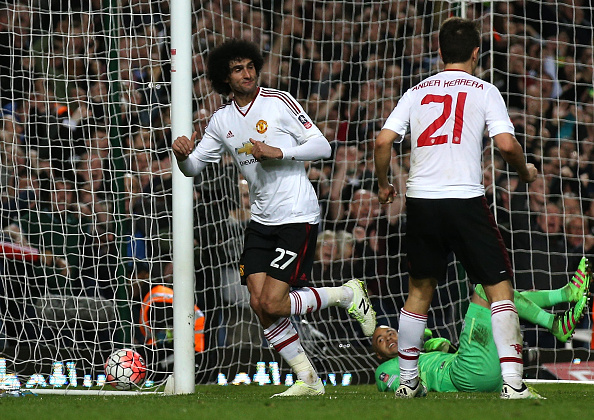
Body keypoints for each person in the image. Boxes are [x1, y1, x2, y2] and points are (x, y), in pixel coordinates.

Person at [171, 39, 376, 397]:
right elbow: (192, 169)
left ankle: (345, 294)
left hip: (297, 214)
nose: (247, 73)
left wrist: (280, 150)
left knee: (273, 302)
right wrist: (181, 154)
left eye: (250, 66)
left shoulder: (278, 102)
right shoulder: (222, 121)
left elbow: (323, 147)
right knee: (258, 303)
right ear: (225, 77)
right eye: (238, 69)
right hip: (262, 220)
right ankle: (308, 380)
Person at [374, 17, 539, 399]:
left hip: (420, 201)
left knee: (419, 292)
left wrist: (384, 185)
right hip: (464, 199)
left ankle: (408, 381)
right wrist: (525, 171)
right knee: (499, 288)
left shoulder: (416, 91)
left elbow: (383, 142)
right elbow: (507, 146)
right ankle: (513, 385)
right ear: (477, 53)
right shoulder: (484, 90)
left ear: (439, 51)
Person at [373, 258, 591, 395]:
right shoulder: (385, 369)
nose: (389, 338)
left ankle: (565, 296)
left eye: (390, 332)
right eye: (380, 340)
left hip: (487, 375)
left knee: (502, 295)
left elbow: (439, 346)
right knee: (486, 287)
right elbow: (396, 386)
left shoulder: (425, 350)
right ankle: (557, 317)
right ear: (379, 356)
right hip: (464, 375)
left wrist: (439, 346)